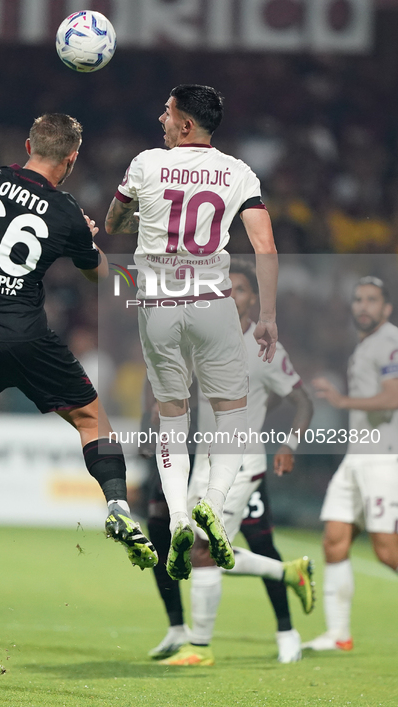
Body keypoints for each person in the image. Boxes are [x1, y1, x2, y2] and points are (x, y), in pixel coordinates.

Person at [0, 113, 157, 614]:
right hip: (26, 339)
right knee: (91, 419)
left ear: (28, 144)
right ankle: (115, 504)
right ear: (71, 159)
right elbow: (102, 278)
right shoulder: (65, 211)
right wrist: (86, 239)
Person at [105, 84, 278, 577]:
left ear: (184, 125)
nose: (161, 116)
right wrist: (266, 315)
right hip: (212, 305)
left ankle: (179, 515)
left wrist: (141, 216)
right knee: (232, 414)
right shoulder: (238, 172)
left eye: (168, 110)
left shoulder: (145, 164)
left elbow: (115, 222)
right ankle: (214, 503)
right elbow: (264, 246)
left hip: (159, 304)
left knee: (172, 417)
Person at [146, 259, 315, 666]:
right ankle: (289, 572)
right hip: (204, 461)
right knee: (187, 548)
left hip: (241, 462)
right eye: (225, 289)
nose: (230, 296)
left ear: (253, 299)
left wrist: (289, 444)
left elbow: (302, 401)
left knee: (204, 548)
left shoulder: (264, 349)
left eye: (239, 289)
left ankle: (199, 648)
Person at [303, 276, 398, 651]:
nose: (363, 306)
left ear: (386, 308)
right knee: (334, 541)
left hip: (382, 460)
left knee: (387, 551)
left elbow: (392, 398)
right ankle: (339, 634)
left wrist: (341, 402)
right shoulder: (365, 346)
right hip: (357, 458)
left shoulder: (390, 342)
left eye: (372, 300)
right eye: (358, 299)